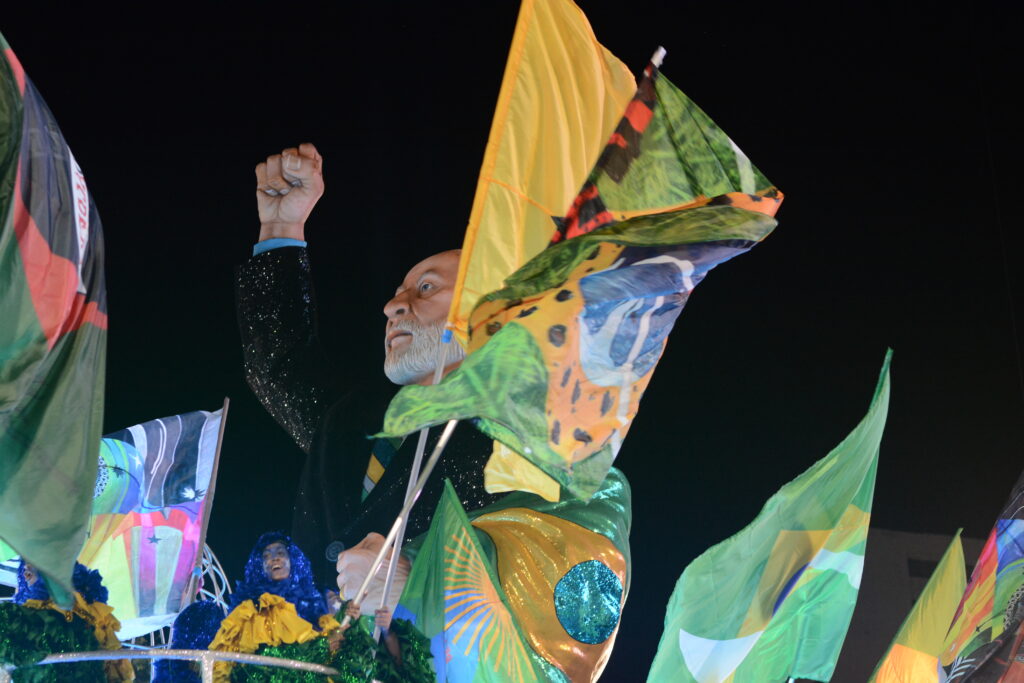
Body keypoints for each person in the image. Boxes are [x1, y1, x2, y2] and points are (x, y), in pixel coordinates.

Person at [236, 143, 504, 578]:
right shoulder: (351, 419)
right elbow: (279, 364)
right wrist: (282, 225)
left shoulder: (516, 443)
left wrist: (416, 584)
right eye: (399, 290)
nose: (392, 306)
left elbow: (534, 568)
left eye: (427, 289)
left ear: (490, 316)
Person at [0, 561, 134, 681]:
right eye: (25, 571)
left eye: (30, 570)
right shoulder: (24, 615)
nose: (25, 574)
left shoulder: (85, 612)